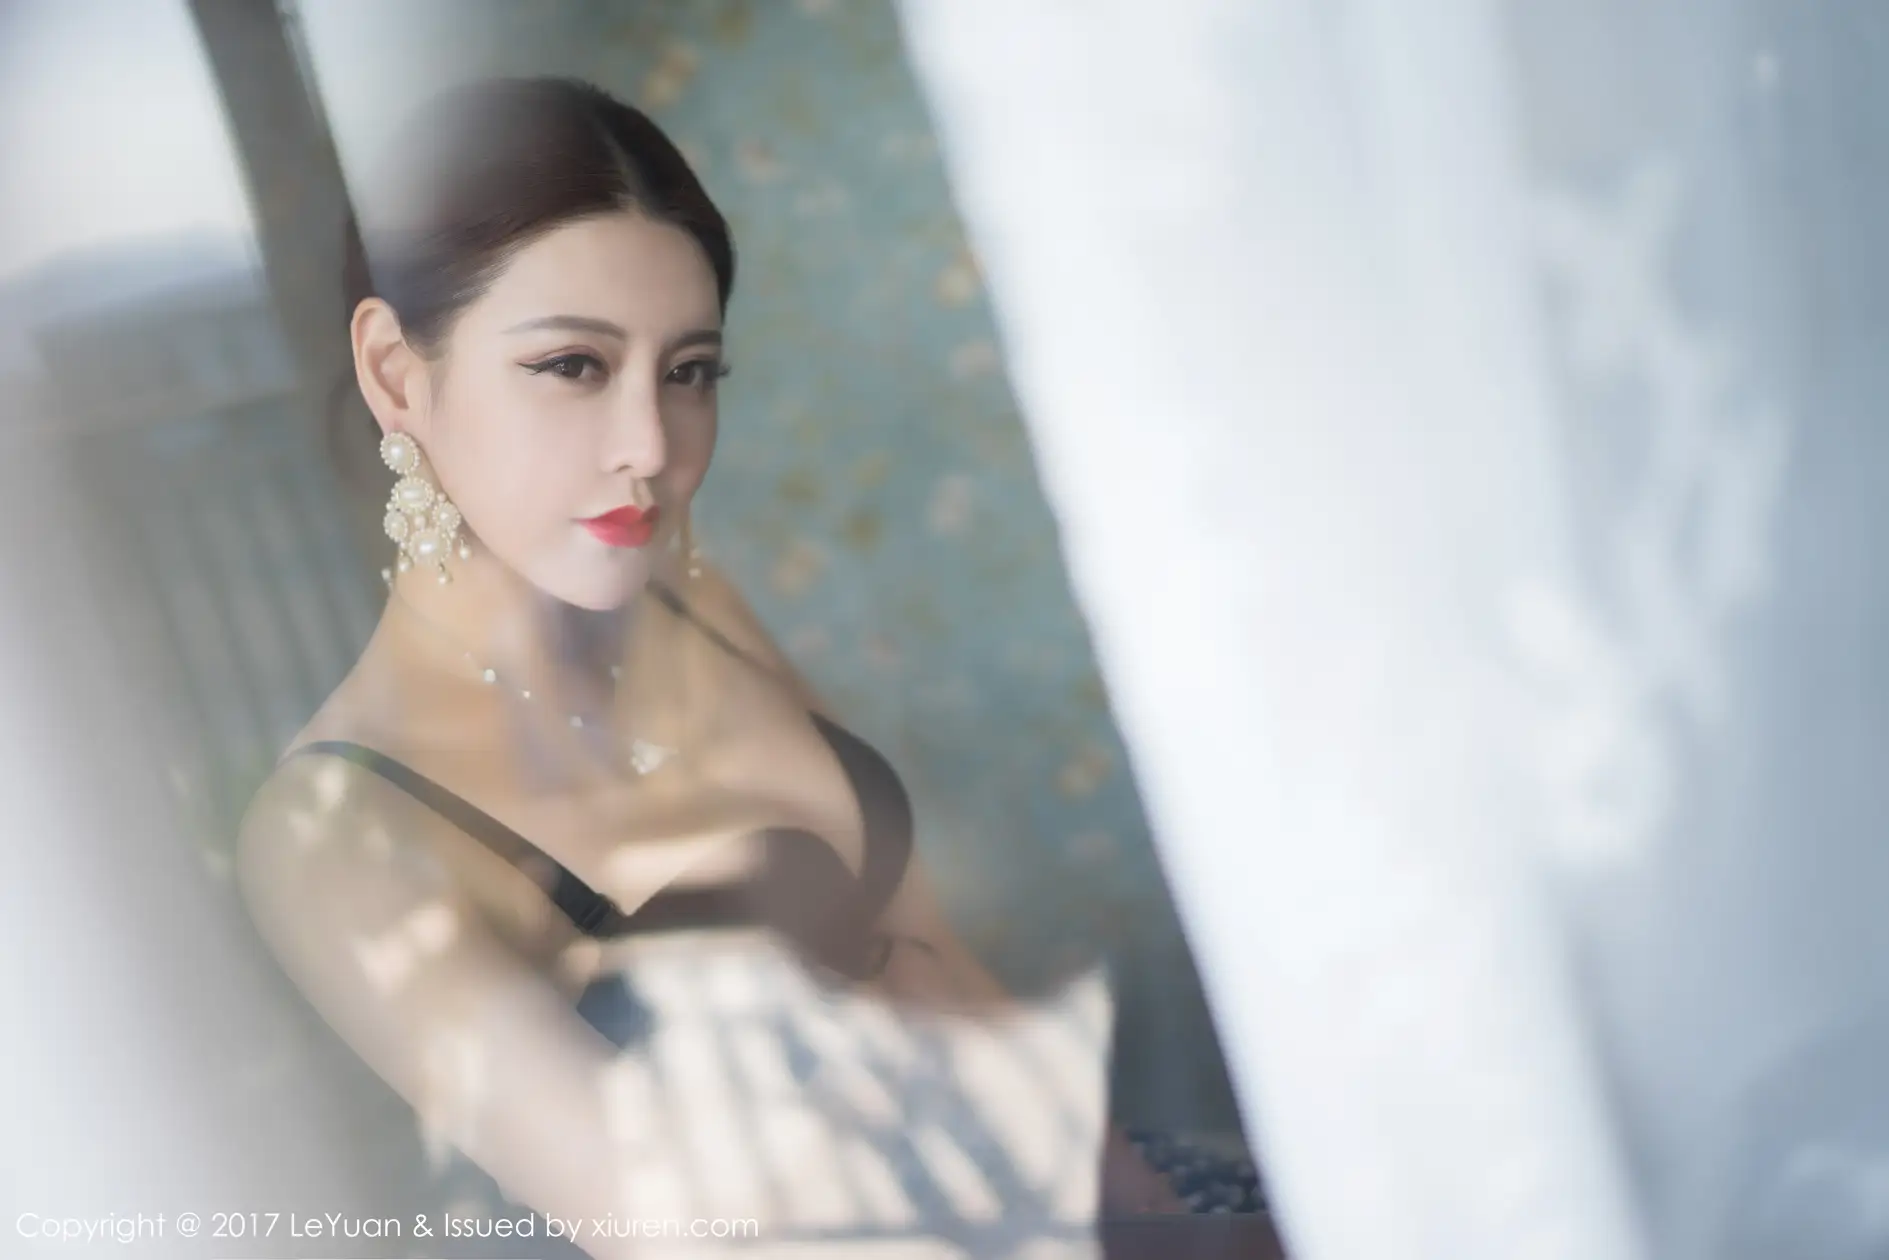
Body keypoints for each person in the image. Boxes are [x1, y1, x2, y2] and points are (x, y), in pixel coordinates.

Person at [236, 76, 1184, 1258]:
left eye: (687, 371)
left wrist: (1153, 1213)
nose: (650, 447)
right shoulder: (336, 835)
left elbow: (943, 971)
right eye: (573, 366)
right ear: (394, 373)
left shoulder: (687, 600)